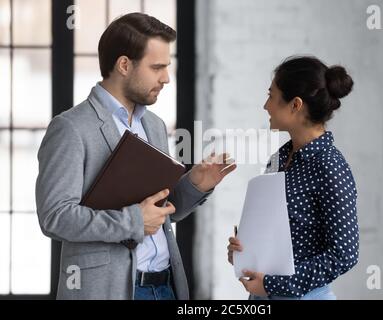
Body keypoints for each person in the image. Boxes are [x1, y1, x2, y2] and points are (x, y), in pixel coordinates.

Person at [36, 13, 236, 300]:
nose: (166, 78)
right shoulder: (70, 128)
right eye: (157, 67)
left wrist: (196, 184)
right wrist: (133, 222)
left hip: (166, 286)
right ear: (124, 65)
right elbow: (54, 217)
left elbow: (160, 213)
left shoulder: (152, 124)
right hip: (111, 291)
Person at [227, 56, 359, 300]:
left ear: (295, 104)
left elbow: (344, 253)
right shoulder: (281, 156)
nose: (266, 105)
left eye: (271, 95)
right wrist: (244, 251)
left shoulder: (330, 166)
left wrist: (276, 285)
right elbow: (276, 231)